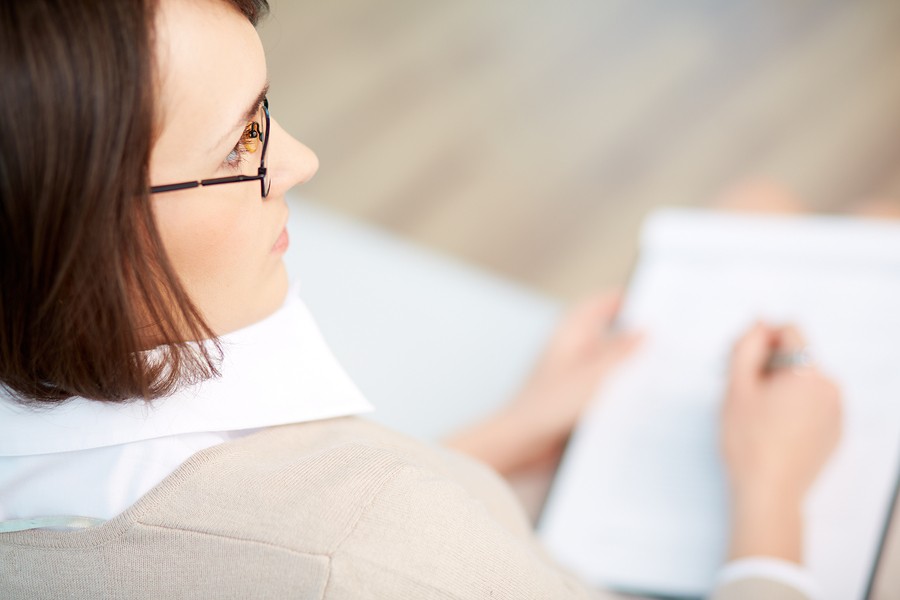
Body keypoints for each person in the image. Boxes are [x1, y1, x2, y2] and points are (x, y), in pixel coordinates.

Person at [0, 0, 842, 598]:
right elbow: (357, 554)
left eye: (267, 113)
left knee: (758, 208)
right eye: (239, 145)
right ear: (74, 236)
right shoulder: (370, 543)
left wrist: (517, 427)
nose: (298, 161)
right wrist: (774, 490)